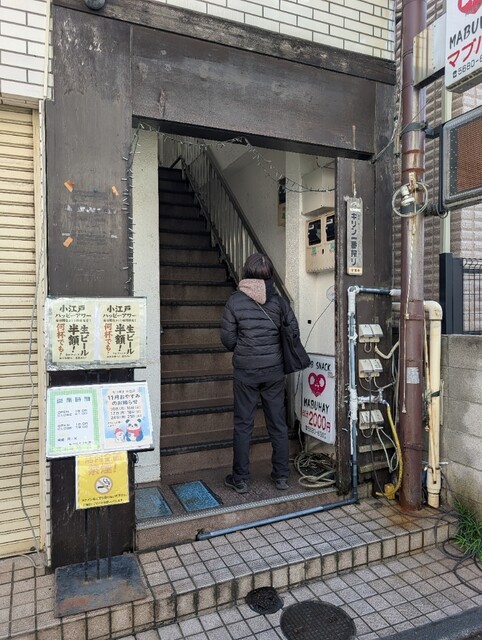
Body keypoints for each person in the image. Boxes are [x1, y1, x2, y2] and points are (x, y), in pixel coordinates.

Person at [220, 252, 301, 494]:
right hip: (274, 372)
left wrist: (245, 349)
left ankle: (240, 479)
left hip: (245, 372)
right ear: (270, 274)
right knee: (277, 424)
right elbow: (293, 332)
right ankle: (282, 476)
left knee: (243, 425)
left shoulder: (235, 301)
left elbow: (227, 339)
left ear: (247, 272)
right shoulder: (279, 302)